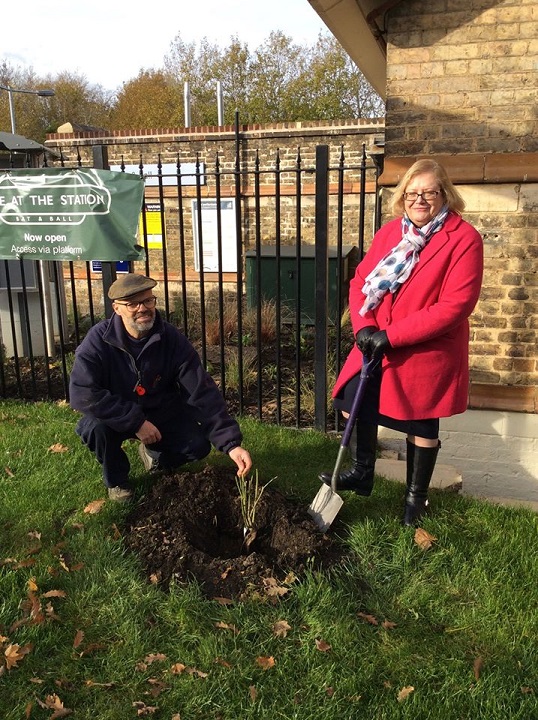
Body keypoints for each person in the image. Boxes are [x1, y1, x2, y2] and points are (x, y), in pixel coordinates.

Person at [319, 159, 483, 525]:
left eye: (428, 192)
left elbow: (455, 306)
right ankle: (362, 472)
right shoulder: (391, 233)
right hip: (375, 339)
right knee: (352, 401)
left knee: (421, 424)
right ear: (402, 197)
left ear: (445, 195)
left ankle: (415, 500)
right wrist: (363, 328)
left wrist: (392, 336)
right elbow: (362, 281)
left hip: (426, 348)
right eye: (412, 193)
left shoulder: (463, 239)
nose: (419, 200)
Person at [69, 273, 252, 502]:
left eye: (148, 300)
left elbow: (201, 391)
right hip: (114, 415)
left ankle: (156, 458)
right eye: (132, 304)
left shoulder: (171, 339)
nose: (142, 308)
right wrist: (135, 422)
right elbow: (82, 393)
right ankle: (117, 480)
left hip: (159, 412)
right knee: (95, 428)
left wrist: (231, 444)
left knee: (197, 446)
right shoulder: (98, 340)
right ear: (117, 309)